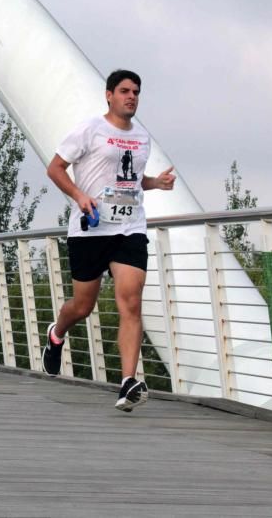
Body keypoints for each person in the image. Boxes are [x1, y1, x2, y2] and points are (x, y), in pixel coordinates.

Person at [43, 69, 176, 412]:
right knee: (83, 307)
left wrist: (155, 184)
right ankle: (57, 333)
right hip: (90, 228)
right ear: (109, 95)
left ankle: (128, 382)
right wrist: (79, 196)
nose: (131, 97)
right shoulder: (90, 130)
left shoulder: (143, 138)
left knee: (130, 303)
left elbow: (130, 180)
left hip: (129, 229)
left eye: (136, 92)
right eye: (125, 91)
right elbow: (55, 168)